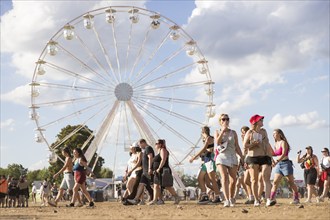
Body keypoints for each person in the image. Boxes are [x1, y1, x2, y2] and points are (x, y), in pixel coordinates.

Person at [243, 114, 273, 207]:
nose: (262, 121)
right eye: (260, 120)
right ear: (255, 122)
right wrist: (253, 144)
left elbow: (268, 144)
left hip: (264, 157)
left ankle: (268, 199)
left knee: (266, 178)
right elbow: (245, 145)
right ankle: (256, 200)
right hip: (253, 158)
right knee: (254, 180)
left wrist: (271, 157)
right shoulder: (249, 132)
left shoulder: (264, 132)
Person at [215, 114, 243, 207]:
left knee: (233, 180)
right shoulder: (217, 131)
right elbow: (217, 142)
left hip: (232, 156)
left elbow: (237, 146)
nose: (226, 121)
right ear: (220, 121)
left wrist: (242, 157)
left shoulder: (233, 133)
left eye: (227, 119)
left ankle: (231, 198)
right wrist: (222, 131)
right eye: (223, 119)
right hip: (222, 156)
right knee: (224, 177)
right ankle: (226, 200)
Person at [190, 126, 222, 204]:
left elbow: (204, 149)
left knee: (212, 179)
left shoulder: (209, 138)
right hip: (206, 161)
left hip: (210, 160)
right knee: (201, 178)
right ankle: (205, 195)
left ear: (203, 133)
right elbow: (206, 150)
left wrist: (194, 156)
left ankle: (218, 195)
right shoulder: (206, 139)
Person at [268, 129, 300, 206]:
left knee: (291, 182)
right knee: (275, 182)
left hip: (286, 164)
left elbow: (283, 154)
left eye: (275, 133)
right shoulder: (275, 144)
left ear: (279, 134)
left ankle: (296, 198)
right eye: (273, 134)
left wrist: (276, 161)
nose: (273, 135)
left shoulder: (283, 142)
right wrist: (272, 159)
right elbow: (274, 154)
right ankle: (271, 198)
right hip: (279, 164)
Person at [148, 139, 180, 205]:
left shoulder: (163, 150)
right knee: (156, 185)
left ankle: (176, 197)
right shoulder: (159, 151)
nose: (155, 145)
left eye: (156, 143)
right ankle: (154, 200)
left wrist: (159, 168)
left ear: (160, 144)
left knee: (167, 186)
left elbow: (163, 159)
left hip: (163, 171)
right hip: (157, 172)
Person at [127, 139, 154, 205]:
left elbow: (150, 157)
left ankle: (158, 199)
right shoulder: (145, 150)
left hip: (147, 170)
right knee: (141, 184)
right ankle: (136, 199)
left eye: (139, 145)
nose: (139, 147)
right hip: (145, 171)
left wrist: (150, 168)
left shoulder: (148, 148)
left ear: (143, 143)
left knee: (154, 185)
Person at [239, 126, 254, 204]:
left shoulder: (251, 138)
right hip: (246, 160)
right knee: (246, 180)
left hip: (252, 159)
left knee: (250, 180)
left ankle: (254, 196)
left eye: (244, 131)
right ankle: (251, 196)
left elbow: (247, 148)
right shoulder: (244, 140)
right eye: (242, 132)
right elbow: (244, 151)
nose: (243, 133)